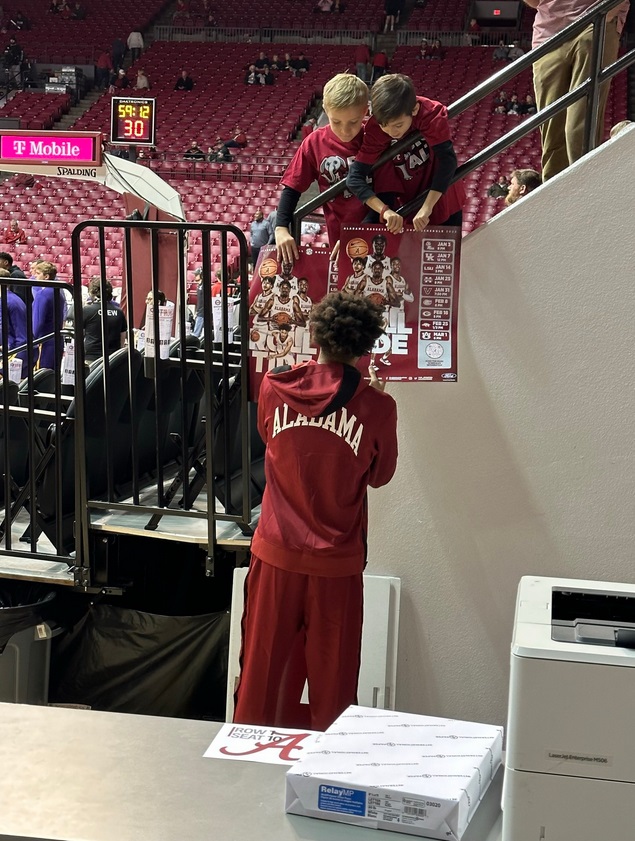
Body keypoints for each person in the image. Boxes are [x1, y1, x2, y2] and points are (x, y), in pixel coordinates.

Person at [233, 290, 398, 731]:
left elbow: (272, 443)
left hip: (275, 555)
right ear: (366, 348)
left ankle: (244, 777)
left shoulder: (272, 386)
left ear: (314, 333)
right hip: (336, 564)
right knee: (335, 687)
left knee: (261, 679)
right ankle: (329, 788)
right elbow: (380, 477)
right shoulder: (378, 407)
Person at [524, 0, 630, 180]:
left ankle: (584, 193)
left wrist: (608, 11)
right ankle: (555, 199)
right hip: (548, 34)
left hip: (594, 20)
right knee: (552, 132)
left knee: (579, 127)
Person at [346, 73, 465, 233]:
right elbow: (354, 177)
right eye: (384, 125)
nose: (390, 132)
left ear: (414, 109)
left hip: (444, 196)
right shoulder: (375, 129)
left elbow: (448, 162)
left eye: (398, 125)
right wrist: (384, 210)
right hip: (411, 205)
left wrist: (427, 207)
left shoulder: (430, 114)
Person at [274, 73, 371, 263]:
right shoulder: (315, 142)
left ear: (365, 111)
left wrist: (358, 232)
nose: (345, 130)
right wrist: (281, 227)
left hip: (376, 230)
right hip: (339, 238)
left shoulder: (376, 137)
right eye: (336, 122)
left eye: (353, 122)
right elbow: (292, 187)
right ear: (325, 110)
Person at [31, 260, 67, 370]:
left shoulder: (42, 294)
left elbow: (38, 322)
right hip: (56, 339)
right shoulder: (58, 292)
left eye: (37, 274)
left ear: (46, 276)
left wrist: (34, 339)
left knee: (42, 375)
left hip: (44, 341)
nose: (34, 276)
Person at [83, 278, 127, 363]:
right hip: (113, 358)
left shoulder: (87, 310)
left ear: (92, 292)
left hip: (91, 357)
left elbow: (79, 334)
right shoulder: (119, 311)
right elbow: (122, 336)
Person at [0, 267, 27, 377]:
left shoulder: (12, 302)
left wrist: (14, 359)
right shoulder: (4, 300)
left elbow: (22, 336)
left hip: (14, 354)